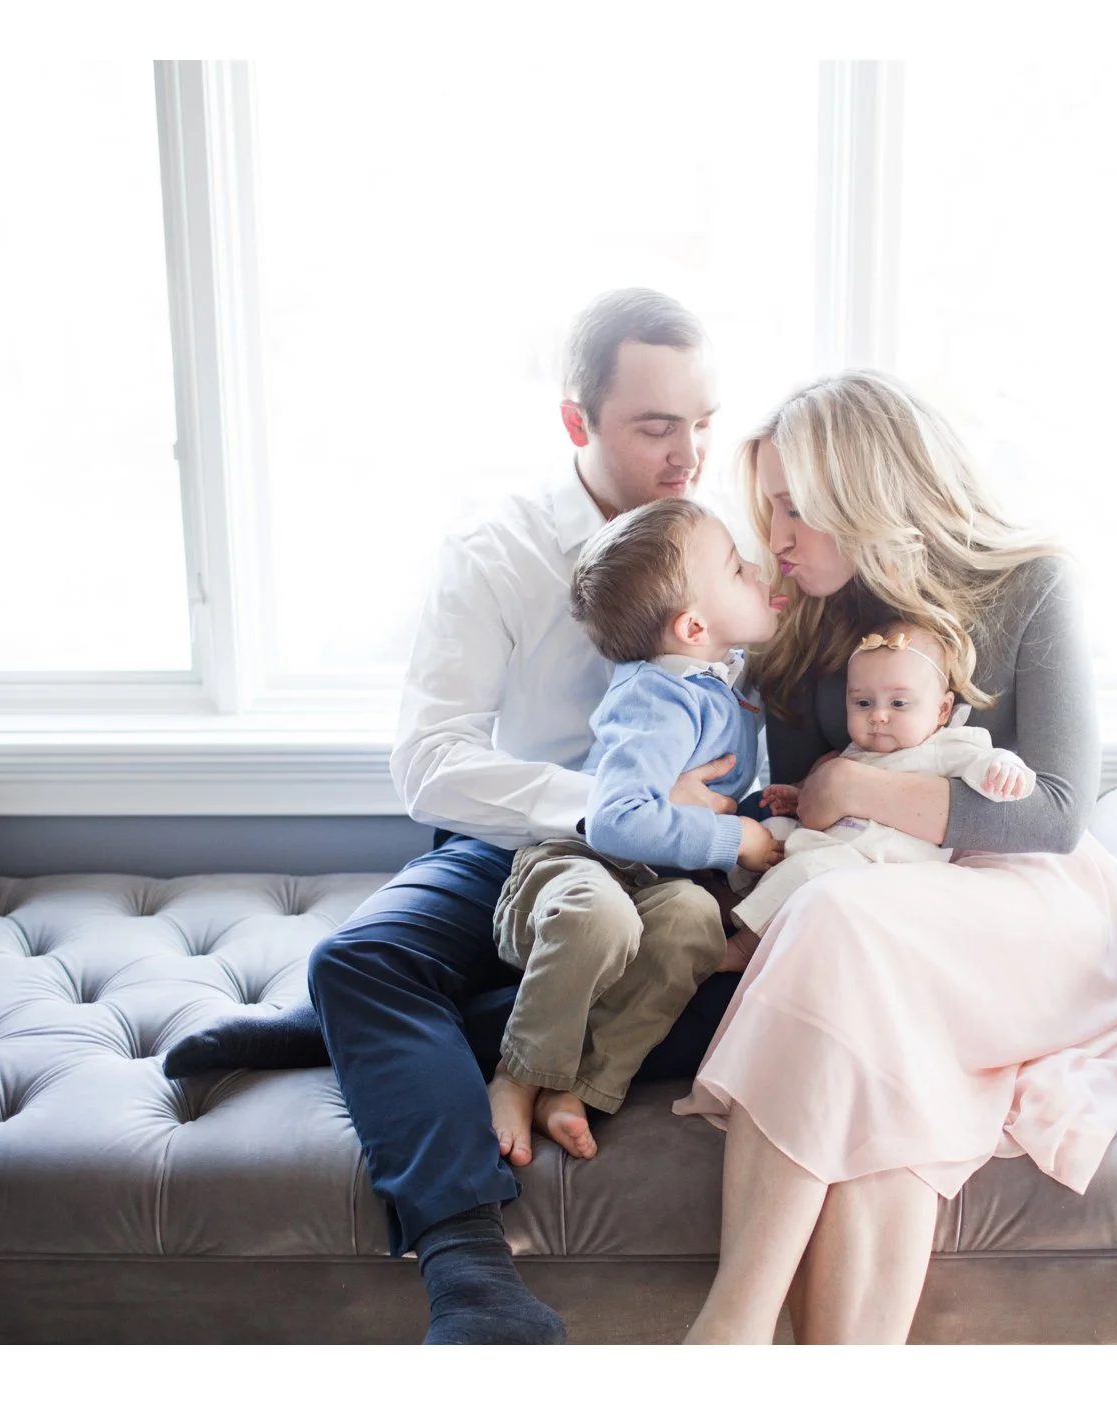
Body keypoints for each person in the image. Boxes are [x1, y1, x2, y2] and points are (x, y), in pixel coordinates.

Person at [161, 288, 743, 1345]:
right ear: (575, 421)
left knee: (736, 1003)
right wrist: (613, 810)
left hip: (678, 868)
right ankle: (473, 1273)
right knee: (359, 964)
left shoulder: (723, 543)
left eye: (704, 423)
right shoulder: (498, 549)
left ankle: (358, 1041)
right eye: (657, 426)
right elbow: (430, 761)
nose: (689, 455)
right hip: (521, 843)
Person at [673, 370, 1117, 1345]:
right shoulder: (804, 621)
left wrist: (857, 785)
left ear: (866, 492)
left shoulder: (1030, 584)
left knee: (834, 920)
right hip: (886, 911)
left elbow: (1054, 814)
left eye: (795, 508)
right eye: (768, 508)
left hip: (1034, 907)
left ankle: (729, 1331)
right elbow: (804, 817)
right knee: (875, 1080)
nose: (775, 536)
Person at [486, 496, 786, 1166]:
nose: (757, 573)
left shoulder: (723, 681)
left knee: (692, 921)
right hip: (574, 871)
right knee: (603, 916)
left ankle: (582, 1088)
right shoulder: (657, 695)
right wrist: (736, 840)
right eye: (738, 569)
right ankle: (519, 1073)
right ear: (692, 625)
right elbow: (617, 821)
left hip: (648, 886)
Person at [728, 619, 1034, 936]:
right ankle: (726, 898)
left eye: (898, 703)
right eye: (863, 703)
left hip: (877, 864)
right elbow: (825, 798)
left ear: (942, 710)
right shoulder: (856, 751)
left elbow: (981, 761)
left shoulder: (943, 747)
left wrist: (1004, 767)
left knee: (809, 873)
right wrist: (799, 797)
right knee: (768, 831)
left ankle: (745, 944)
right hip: (832, 844)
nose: (877, 715)